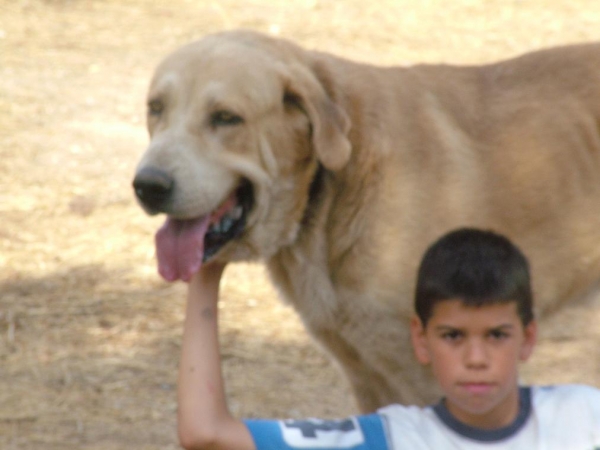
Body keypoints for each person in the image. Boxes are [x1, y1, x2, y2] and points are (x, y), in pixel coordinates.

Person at [176, 228, 600, 449]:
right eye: (452, 335)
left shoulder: (584, 417)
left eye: (497, 336)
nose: (476, 358)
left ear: (528, 339)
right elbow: (205, 434)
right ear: (420, 339)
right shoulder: (394, 438)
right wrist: (205, 279)